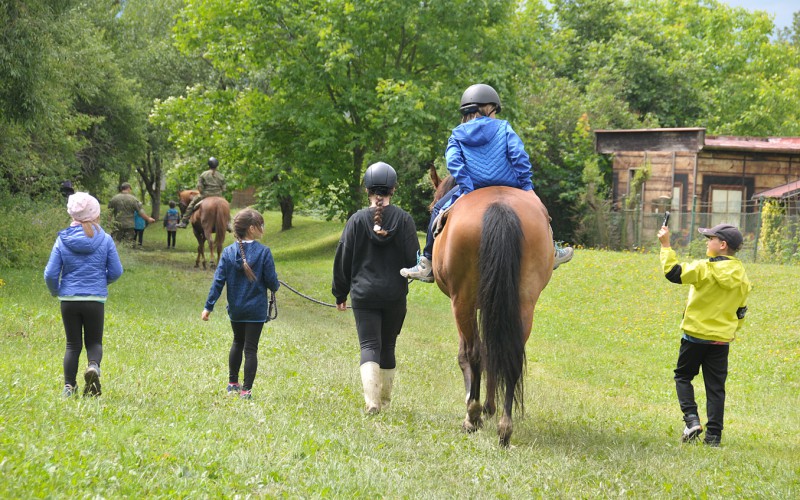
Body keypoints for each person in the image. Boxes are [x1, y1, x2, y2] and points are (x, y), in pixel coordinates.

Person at [401, 83, 574, 282]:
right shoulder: (504, 128)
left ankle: (427, 262)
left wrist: (468, 188)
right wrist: (526, 186)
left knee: (438, 209)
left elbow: (454, 162)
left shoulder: (457, 134)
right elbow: (519, 155)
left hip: (472, 188)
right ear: (490, 109)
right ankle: (552, 251)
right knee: (540, 210)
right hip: (511, 186)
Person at [332, 162, 420, 414]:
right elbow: (413, 261)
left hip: (363, 295)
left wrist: (340, 293)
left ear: (367, 189)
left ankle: (372, 403)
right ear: (393, 189)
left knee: (369, 345)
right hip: (394, 295)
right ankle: (385, 400)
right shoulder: (404, 220)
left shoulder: (356, 220)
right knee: (388, 345)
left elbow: (343, 259)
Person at [658, 223, 751, 447]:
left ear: (722, 245)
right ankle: (713, 439)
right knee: (715, 388)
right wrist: (730, 332)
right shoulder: (743, 277)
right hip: (721, 340)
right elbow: (740, 312)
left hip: (695, 337)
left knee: (683, 376)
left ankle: (691, 420)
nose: (707, 242)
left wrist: (665, 245)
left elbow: (673, 273)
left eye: (710, 238)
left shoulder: (704, 268)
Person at [44, 192, 124, 397]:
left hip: (69, 300)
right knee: (94, 342)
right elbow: (116, 271)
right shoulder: (105, 239)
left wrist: (56, 291)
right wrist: (99, 283)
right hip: (94, 299)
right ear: (95, 214)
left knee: (72, 345)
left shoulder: (62, 240)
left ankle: (69, 388)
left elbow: (51, 273)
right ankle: (93, 367)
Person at [202, 208, 280, 400]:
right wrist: (274, 282)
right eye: (260, 225)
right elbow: (272, 283)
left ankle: (232, 383)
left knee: (238, 341)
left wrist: (208, 307)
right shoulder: (264, 252)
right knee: (251, 348)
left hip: (236, 309)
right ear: (252, 228)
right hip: (256, 310)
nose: (263, 228)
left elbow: (218, 282)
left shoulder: (228, 252)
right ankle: (246, 390)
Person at [177, 157, 228, 229]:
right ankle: (228, 223)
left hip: (205, 195)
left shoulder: (204, 174)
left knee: (191, 205)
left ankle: (184, 222)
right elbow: (224, 188)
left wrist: (202, 192)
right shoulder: (221, 175)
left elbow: (199, 187)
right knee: (226, 206)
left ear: (209, 165)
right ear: (217, 165)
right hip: (218, 196)